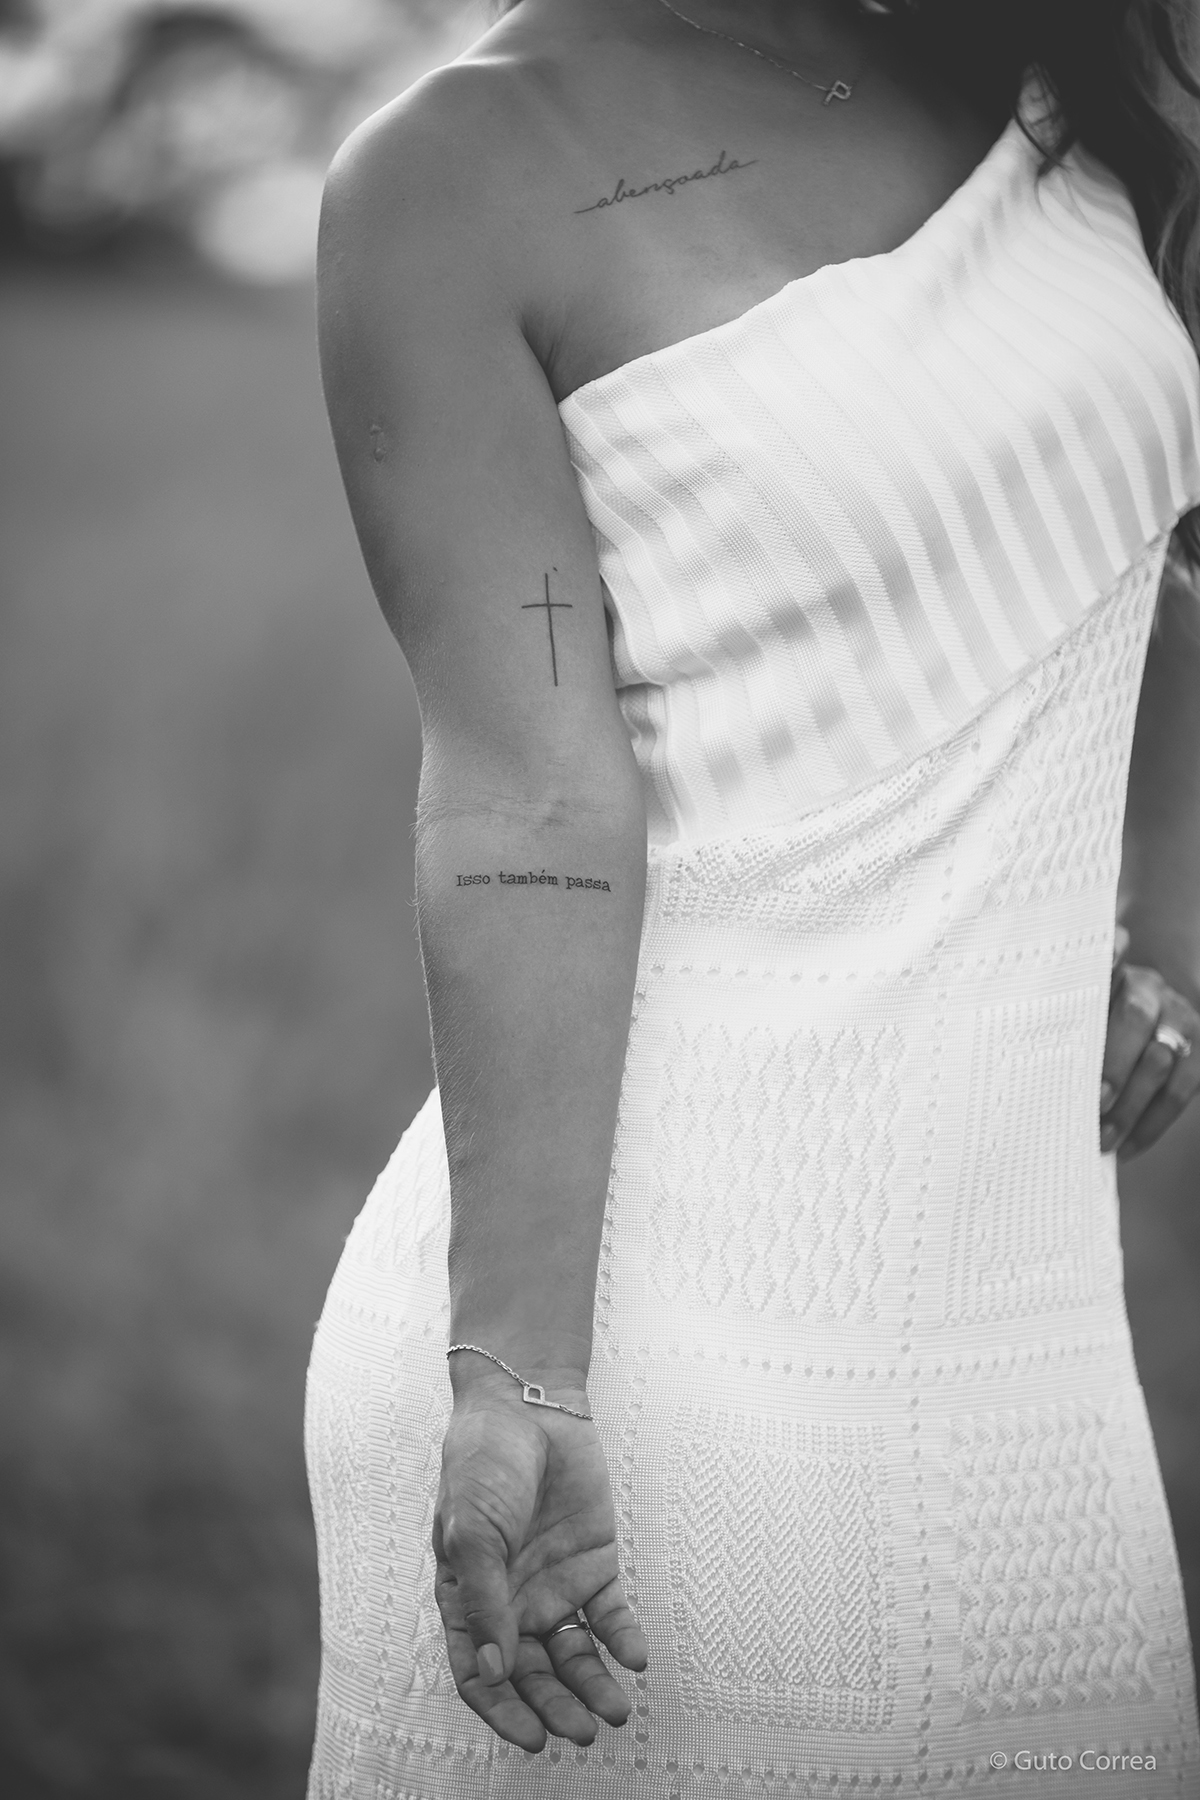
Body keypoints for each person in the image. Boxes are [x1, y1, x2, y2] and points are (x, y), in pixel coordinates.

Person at [304, 1, 1200, 1793]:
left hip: (1026, 1325)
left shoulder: (1043, 73)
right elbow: (530, 788)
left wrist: (1134, 923)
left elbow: (1148, 555)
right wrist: (523, 1378)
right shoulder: (453, 173)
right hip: (650, 1361)